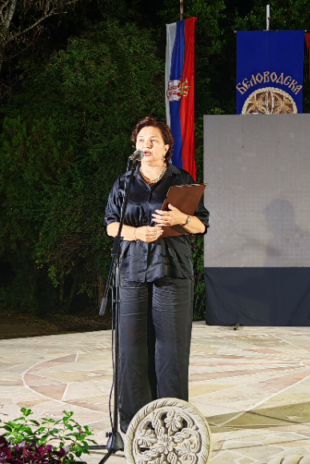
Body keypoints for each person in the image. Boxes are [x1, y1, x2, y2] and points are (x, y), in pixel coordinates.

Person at [104, 116, 209, 431]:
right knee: (132, 348)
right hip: (132, 271)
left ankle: (172, 420)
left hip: (172, 270)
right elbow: (111, 225)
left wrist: (180, 218)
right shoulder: (124, 182)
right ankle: (134, 423)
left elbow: (201, 225)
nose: (146, 145)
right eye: (141, 141)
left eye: (153, 140)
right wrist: (137, 233)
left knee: (170, 349)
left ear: (166, 147)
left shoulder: (181, 180)